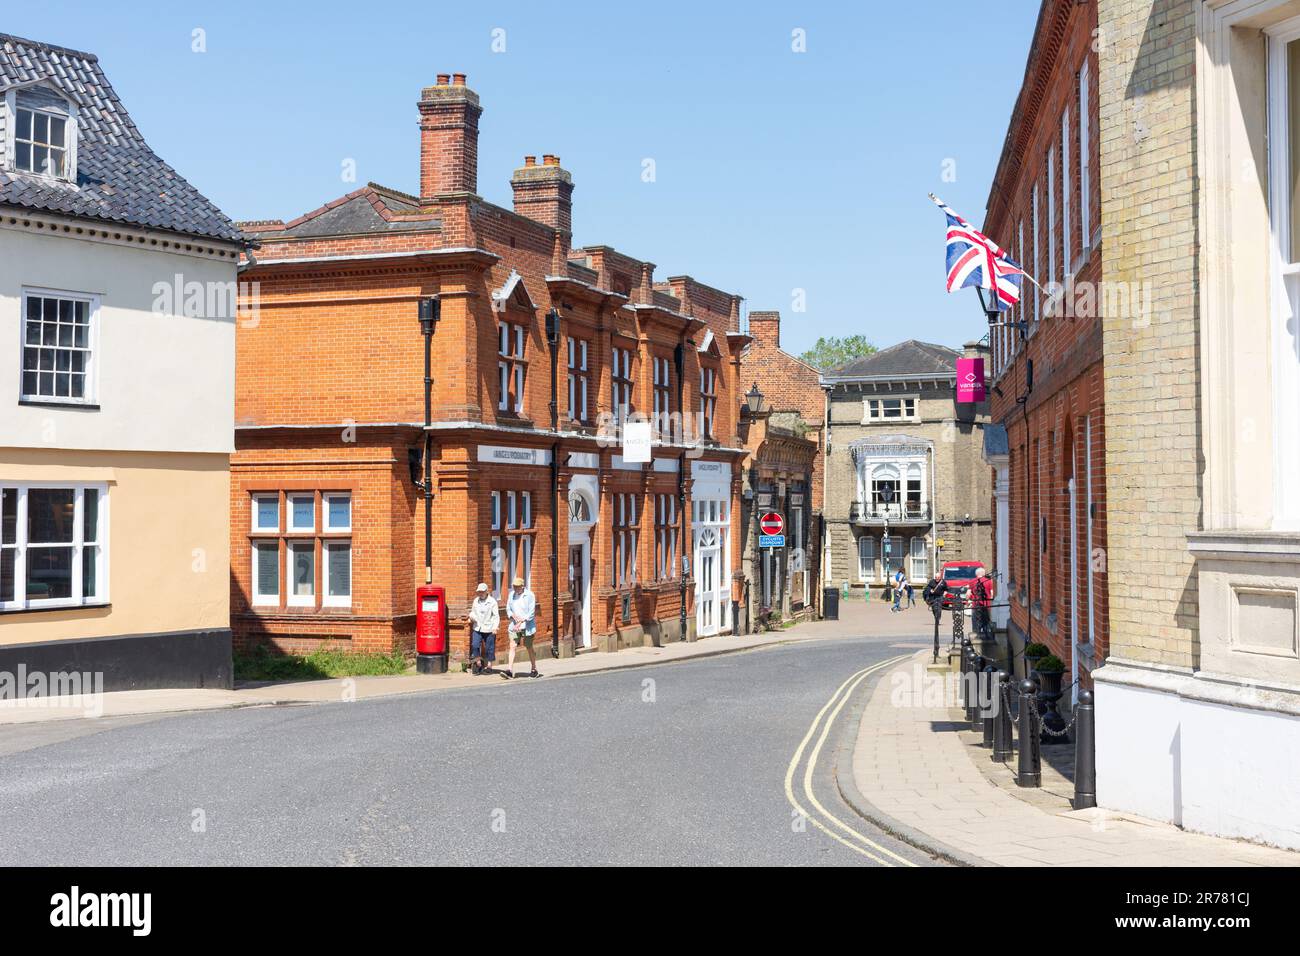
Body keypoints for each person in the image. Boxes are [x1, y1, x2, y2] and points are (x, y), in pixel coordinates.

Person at [503, 576, 541, 680]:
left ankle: (534, 669)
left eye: (517, 586)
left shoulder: (529, 595)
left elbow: (531, 613)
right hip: (514, 626)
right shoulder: (511, 595)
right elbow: (508, 608)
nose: (515, 588)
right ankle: (509, 670)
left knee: (529, 647)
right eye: (514, 586)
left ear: (522, 586)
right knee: (512, 646)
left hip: (527, 626)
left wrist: (521, 621)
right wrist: (512, 615)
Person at [467, 582, 499, 675]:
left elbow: (496, 616)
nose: (480, 593)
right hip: (477, 627)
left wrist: (495, 627)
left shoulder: (492, 602)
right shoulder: (476, 601)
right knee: (475, 645)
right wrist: (471, 617)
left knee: (490, 647)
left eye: (482, 592)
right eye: (479, 592)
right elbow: (473, 612)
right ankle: (478, 663)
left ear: (486, 591)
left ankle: (489, 665)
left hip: (489, 627)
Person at [970, 567, 995, 645]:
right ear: (983, 573)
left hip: (975, 605)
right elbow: (991, 593)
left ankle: (975, 636)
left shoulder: (972, 581)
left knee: (975, 621)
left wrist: (969, 599)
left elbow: (968, 594)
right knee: (986, 621)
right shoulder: (989, 581)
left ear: (976, 574)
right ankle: (987, 636)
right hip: (986, 605)